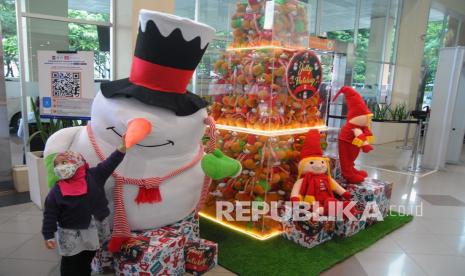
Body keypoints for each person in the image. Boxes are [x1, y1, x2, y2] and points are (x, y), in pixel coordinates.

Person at [42, 136, 127, 276]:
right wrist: (48, 235)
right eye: (56, 165)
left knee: (88, 256)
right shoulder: (56, 191)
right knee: (70, 262)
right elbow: (50, 214)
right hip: (70, 234)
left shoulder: (94, 175)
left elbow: (110, 163)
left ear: (78, 162)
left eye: (64, 162)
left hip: (94, 229)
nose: (60, 167)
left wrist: (122, 148)